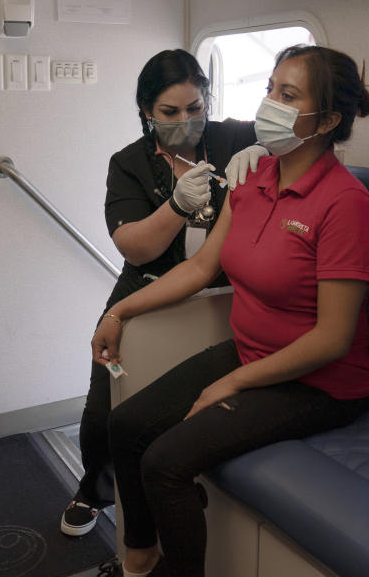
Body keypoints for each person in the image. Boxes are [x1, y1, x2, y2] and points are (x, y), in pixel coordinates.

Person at [92, 45, 369, 577]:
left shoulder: (346, 203)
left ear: (326, 120)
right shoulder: (252, 178)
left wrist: (231, 384)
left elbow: (332, 339)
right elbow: (203, 267)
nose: (269, 104)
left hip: (320, 382)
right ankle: (138, 557)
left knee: (164, 463)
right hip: (254, 352)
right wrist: (117, 314)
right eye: (270, 89)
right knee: (125, 423)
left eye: (288, 95)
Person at [61, 49, 258, 537]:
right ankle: (95, 491)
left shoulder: (233, 138)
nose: (185, 121)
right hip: (145, 287)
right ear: (146, 111)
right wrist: (176, 205)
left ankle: (168, 493)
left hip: (214, 293)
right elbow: (138, 247)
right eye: (169, 113)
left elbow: (293, 135)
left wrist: (269, 152)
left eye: (194, 108)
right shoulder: (128, 164)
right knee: (104, 406)